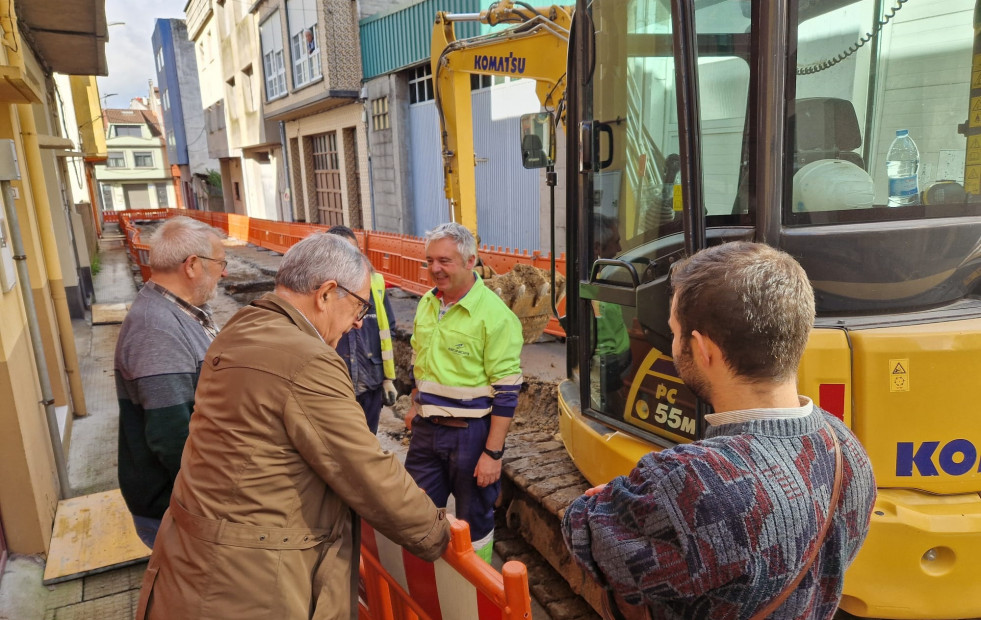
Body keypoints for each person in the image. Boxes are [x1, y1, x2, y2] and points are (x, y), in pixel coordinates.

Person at [136, 233, 451, 620]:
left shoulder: (240, 327)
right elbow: (365, 467)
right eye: (359, 307)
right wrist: (437, 533)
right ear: (325, 294)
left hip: (193, 562)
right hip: (249, 584)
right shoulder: (308, 360)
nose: (357, 323)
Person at [562, 241, 876, 619]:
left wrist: (607, 502)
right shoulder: (848, 449)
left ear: (703, 349)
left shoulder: (690, 482)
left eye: (674, 332)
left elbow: (582, 530)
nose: (673, 344)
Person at [404, 222, 523, 563]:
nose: (435, 269)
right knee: (420, 512)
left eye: (444, 261)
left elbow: (506, 391)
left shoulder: (494, 316)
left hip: (470, 436)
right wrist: (415, 405)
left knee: (476, 519)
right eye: (430, 261)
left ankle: (476, 592)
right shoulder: (427, 304)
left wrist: (493, 454)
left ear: (471, 262)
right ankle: (432, 586)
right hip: (427, 431)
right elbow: (419, 360)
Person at [115, 216, 227, 549]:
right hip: (180, 509)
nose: (225, 272)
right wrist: (221, 506)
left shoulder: (179, 311)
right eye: (221, 263)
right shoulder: (157, 331)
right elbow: (172, 435)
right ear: (192, 265)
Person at [327, 225, 398, 433]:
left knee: (368, 445)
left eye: (354, 253)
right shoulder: (321, 290)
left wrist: (387, 379)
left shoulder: (375, 283)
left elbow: (387, 330)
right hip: (336, 388)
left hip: (371, 382)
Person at [590, 215, 631, 413]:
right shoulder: (595, 289)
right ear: (598, 248)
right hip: (611, 364)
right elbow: (603, 347)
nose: (620, 249)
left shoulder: (601, 276)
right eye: (616, 242)